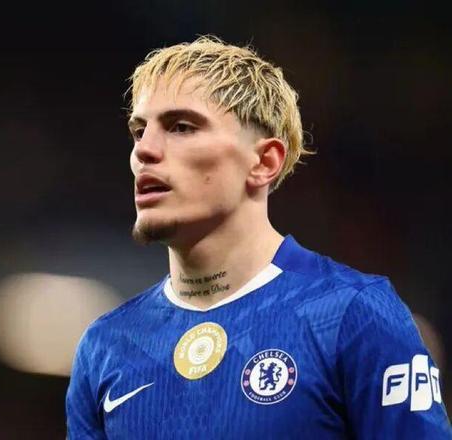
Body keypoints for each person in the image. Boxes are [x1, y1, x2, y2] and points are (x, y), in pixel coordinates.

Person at [65, 36, 451, 439]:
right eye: (139, 131)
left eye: (181, 127)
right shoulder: (105, 346)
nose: (144, 151)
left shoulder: (354, 314)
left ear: (264, 162)